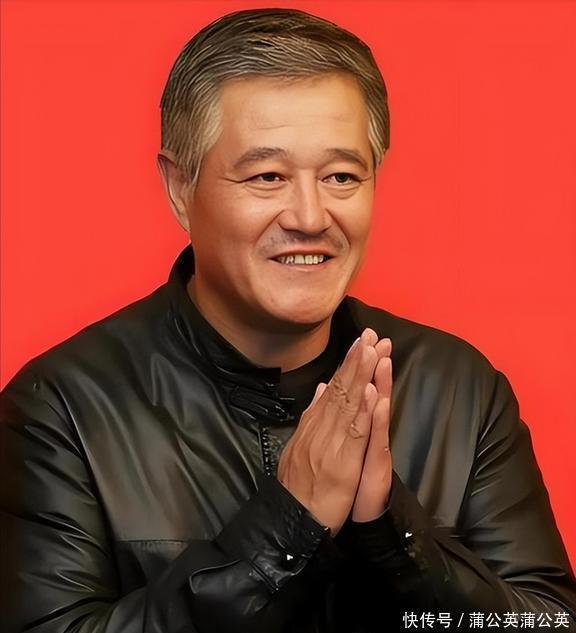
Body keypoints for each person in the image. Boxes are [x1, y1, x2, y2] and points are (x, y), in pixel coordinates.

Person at [1, 8, 575, 633]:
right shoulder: (64, 409)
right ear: (180, 187)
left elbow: (546, 623)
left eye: (341, 176)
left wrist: (392, 533)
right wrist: (287, 524)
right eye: (268, 176)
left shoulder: (459, 389)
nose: (310, 216)